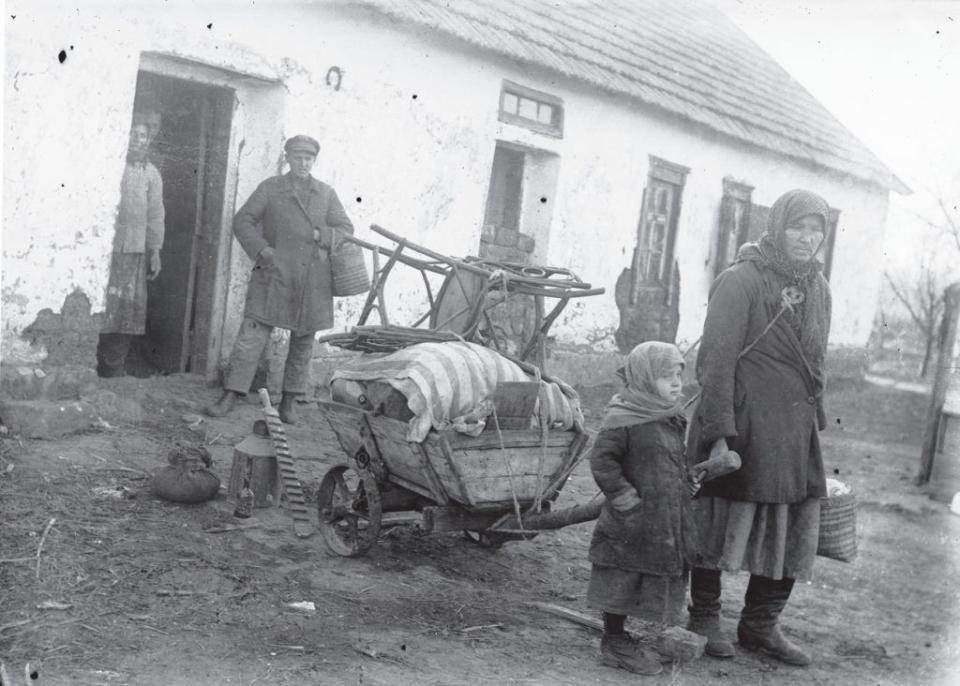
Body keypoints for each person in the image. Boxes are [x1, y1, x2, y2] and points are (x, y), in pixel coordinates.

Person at [686, 189, 833, 666]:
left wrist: (815, 413)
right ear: (777, 226)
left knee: (791, 523)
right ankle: (705, 616)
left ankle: (760, 624)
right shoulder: (741, 280)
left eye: (816, 230)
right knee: (718, 518)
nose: (806, 238)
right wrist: (719, 433)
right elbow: (715, 362)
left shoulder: (819, 288)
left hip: (792, 428)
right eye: (798, 227)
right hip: (742, 422)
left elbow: (815, 359)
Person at [206, 135, 354, 424]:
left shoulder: (325, 193)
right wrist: (263, 251)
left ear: (314, 161)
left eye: (308, 159)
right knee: (251, 336)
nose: (303, 163)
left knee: (302, 341)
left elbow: (345, 228)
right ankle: (231, 395)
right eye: (297, 157)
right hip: (273, 273)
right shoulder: (271, 188)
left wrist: (320, 235)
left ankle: (289, 401)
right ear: (288, 158)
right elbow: (243, 220)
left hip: (311, 280)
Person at [586, 341, 699, 676]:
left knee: (648, 572)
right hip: (631, 518)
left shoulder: (671, 415)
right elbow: (602, 462)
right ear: (646, 378)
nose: (677, 383)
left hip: (663, 517)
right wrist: (624, 498)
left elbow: (672, 459)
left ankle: (623, 637)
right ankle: (614, 641)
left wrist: (687, 481)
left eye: (679, 374)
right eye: (666, 376)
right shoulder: (623, 418)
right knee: (620, 576)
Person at [97, 113, 165, 377]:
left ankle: (113, 366)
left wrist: (155, 251)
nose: (137, 140)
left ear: (148, 141)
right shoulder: (111, 166)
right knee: (105, 306)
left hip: (135, 252)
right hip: (107, 252)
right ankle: (95, 363)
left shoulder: (152, 175)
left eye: (143, 136)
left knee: (128, 310)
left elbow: (156, 215)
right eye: (133, 134)